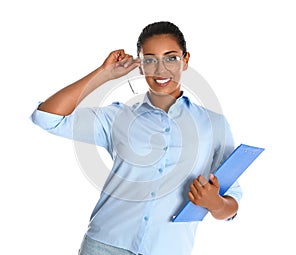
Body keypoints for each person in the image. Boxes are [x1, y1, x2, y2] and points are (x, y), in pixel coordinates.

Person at [30, 21, 242, 255]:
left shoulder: (214, 125)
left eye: (171, 58)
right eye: (150, 60)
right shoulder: (117, 117)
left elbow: (231, 202)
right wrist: (104, 75)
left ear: (186, 59)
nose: (161, 70)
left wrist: (215, 203)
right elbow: (46, 117)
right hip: (105, 245)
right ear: (140, 66)